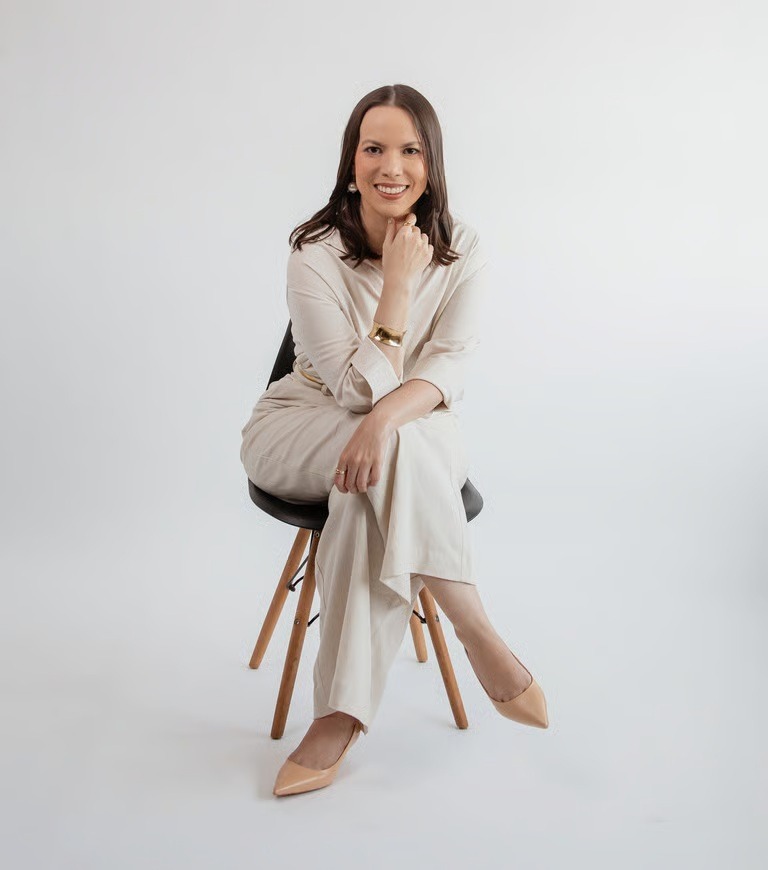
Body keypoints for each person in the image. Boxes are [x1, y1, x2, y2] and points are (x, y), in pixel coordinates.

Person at [239, 84, 549, 798]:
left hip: (416, 426)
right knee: (382, 466)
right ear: (351, 163)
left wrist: (381, 425)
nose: (392, 166)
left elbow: (447, 369)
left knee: (371, 482)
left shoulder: (463, 247)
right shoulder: (314, 252)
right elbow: (352, 390)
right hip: (303, 420)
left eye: (410, 150)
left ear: (431, 164)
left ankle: (338, 716)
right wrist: (399, 286)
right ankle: (476, 629)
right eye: (373, 148)